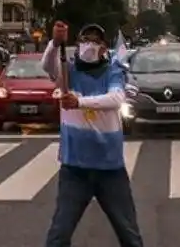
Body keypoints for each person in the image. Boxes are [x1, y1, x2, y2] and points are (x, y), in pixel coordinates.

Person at [41, 22, 144, 247]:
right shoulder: (67, 71)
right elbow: (47, 66)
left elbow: (116, 99)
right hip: (75, 169)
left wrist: (78, 102)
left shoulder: (113, 71)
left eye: (96, 41)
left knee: (130, 236)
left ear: (104, 48)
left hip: (110, 169)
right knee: (58, 236)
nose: (90, 44)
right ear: (77, 45)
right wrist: (55, 42)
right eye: (85, 39)